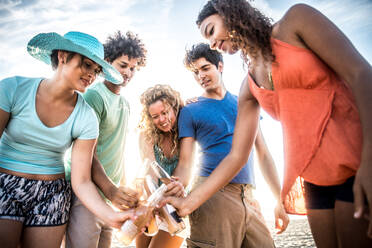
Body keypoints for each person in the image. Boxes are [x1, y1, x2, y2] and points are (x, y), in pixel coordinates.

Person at [165, 1, 372, 247]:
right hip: (314, 180)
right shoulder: (249, 86)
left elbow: (360, 73)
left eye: (211, 31)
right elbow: (237, 156)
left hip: (356, 161)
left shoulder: (296, 21)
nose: (211, 44)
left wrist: (369, 161)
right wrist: (188, 203)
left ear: (229, 12)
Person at [0, 31, 133, 248]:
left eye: (97, 70)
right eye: (87, 65)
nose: (92, 75)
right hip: (5, 186)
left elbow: (81, 181)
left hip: (52, 194)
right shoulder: (12, 89)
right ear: (62, 56)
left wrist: (110, 216)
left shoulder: (86, 116)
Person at [167, 43, 288, 248]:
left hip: (249, 196)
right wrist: (175, 190)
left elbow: (263, 153)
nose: (201, 76)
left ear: (220, 66)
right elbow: (186, 162)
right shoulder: (190, 110)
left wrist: (279, 200)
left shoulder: (245, 102)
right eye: (195, 72)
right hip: (212, 197)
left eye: (205, 68)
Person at [64, 31, 147, 248]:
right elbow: (85, 151)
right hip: (87, 194)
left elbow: (119, 150)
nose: (128, 72)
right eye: (123, 65)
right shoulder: (94, 96)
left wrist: (123, 190)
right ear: (107, 63)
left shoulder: (125, 104)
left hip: (111, 197)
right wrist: (110, 189)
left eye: (133, 68)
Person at [136, 84, 187, 248]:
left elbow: (186, 171)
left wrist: (167, 208)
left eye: (165, 112)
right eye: (155, 116)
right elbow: (149, 172)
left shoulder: (185, 133)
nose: (162, 120)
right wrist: (155, 205)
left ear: (174, 108)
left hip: (176, 206)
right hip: (151, 203)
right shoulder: (146, 135)